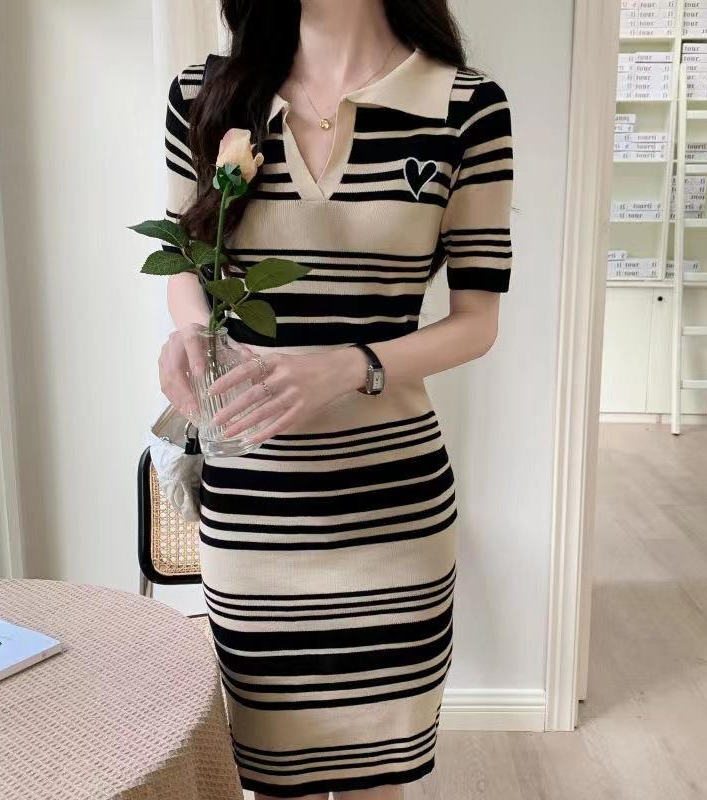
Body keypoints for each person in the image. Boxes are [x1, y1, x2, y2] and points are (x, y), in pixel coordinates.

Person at [157, 1, 514, 798]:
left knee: (377, 785)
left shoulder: (467, 108)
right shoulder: (203, 96)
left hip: (395, 522)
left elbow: (477, 322)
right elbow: (185, 264)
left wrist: (348, 366)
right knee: (275, 781)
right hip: (257, 518)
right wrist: (190, 333)